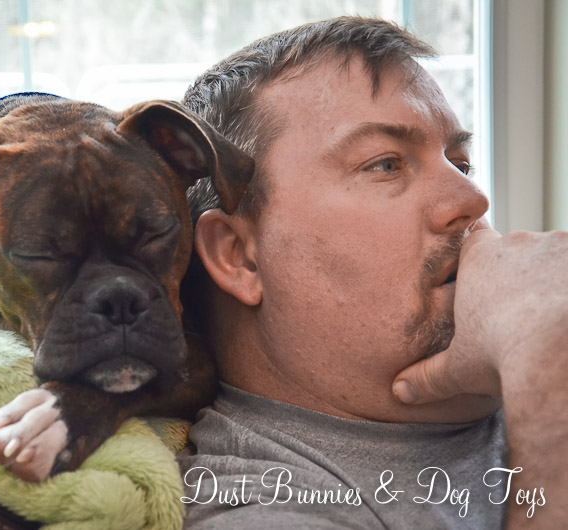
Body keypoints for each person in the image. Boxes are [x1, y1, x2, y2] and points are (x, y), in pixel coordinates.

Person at [177, 17, 567, 529]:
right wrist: (545, 371)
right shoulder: (251, 510)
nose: (471, 200)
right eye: (385, 164)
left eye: (460, 164)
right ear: (239, 257)